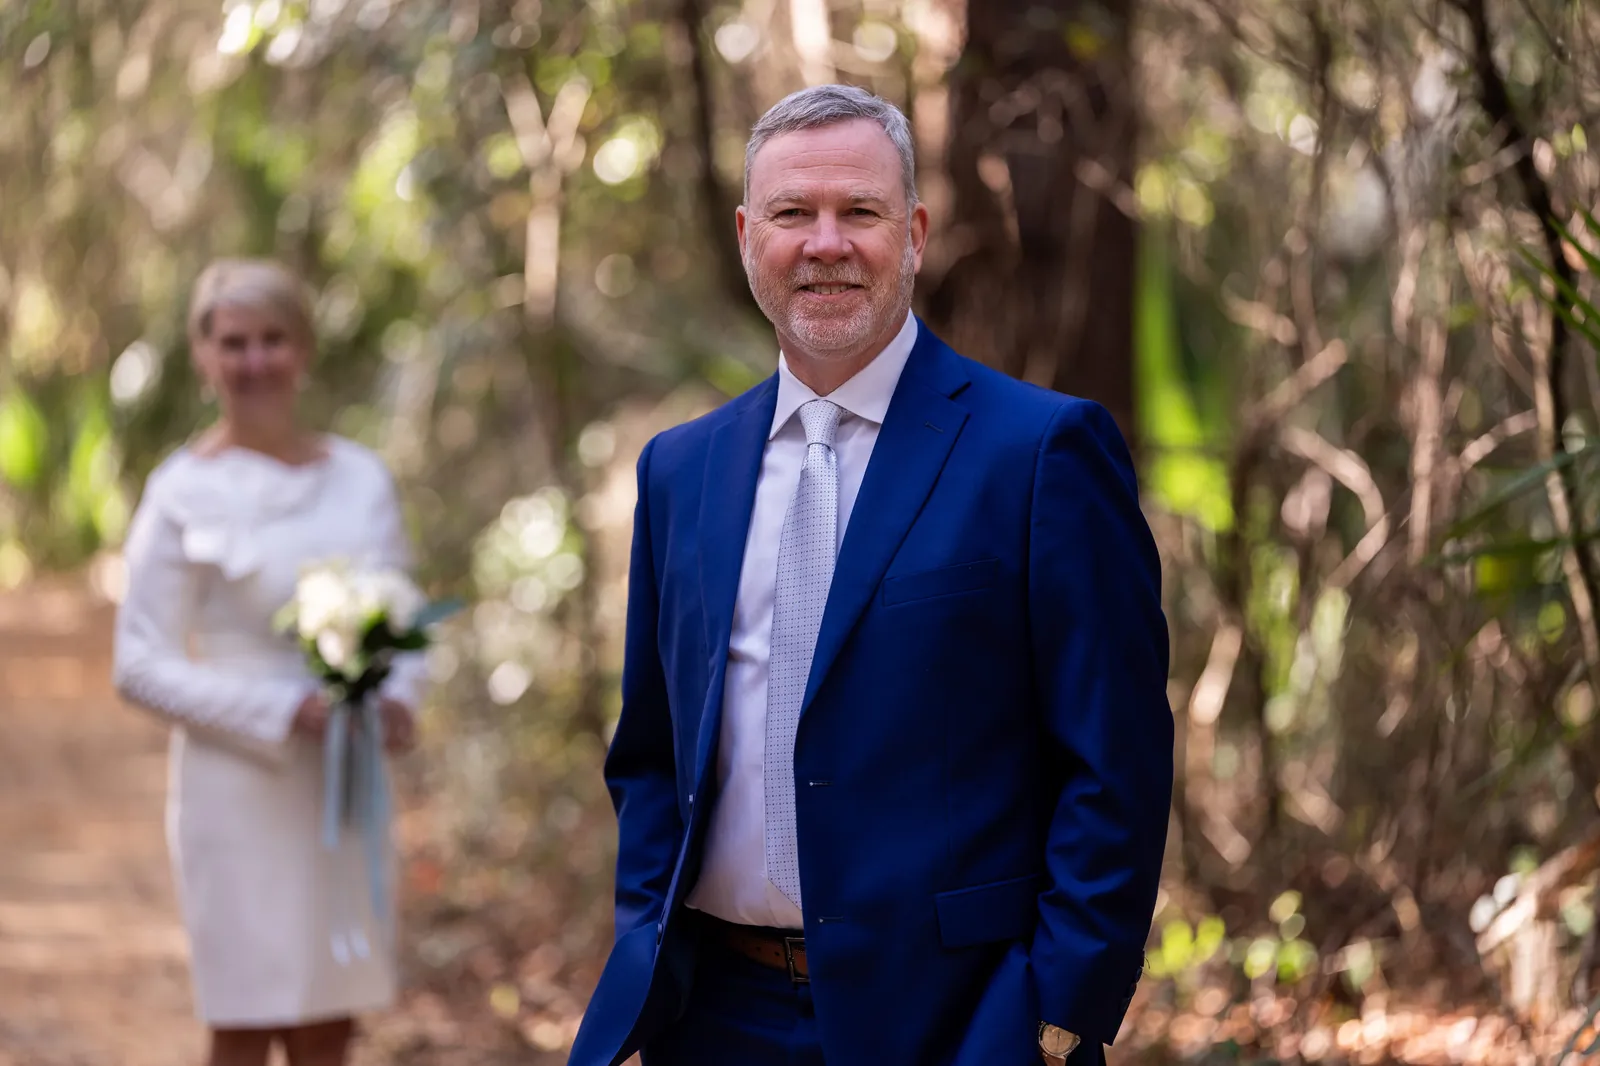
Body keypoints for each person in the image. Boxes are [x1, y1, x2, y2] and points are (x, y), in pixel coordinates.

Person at [568, 85, 1173, 1066]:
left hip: (960, 1019)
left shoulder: (1038, 452)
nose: (825, 244)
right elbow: (650, 757)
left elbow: (1114, 761)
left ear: (916, 233)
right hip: (714, 1016)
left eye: (860, 212)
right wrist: (646, 948)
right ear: (745, 235)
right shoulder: (679, 470)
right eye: (792, 213)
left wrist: (1063, 1010)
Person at [112, 258, 424, 1066]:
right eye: (234, 343)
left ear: (304, 349)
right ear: (204, 355)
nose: (254, 362)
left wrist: (396, 698)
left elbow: (405, 613)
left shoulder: (361, 479)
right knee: (246, 1018)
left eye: (272, 340)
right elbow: (138, 663)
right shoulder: (178, 492)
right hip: (235, 786)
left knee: (331, 1018)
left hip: (345, 780)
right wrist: (279, 712)